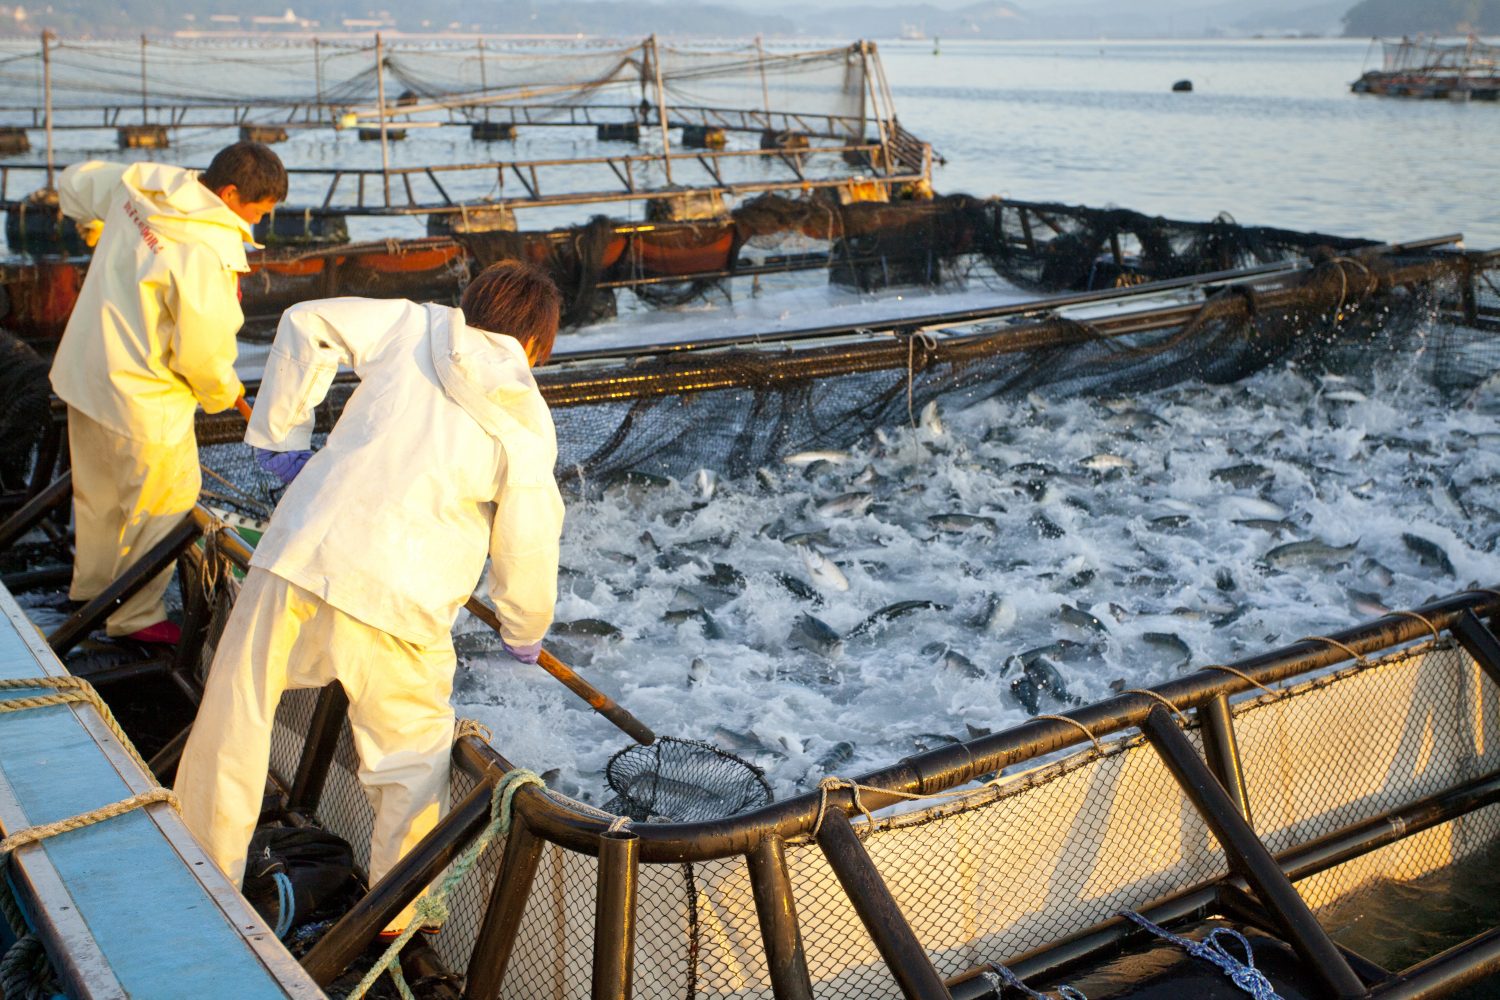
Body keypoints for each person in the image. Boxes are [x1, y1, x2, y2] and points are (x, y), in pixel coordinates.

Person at [174, 260, 566, 935]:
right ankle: (400, 917)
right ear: (536, 346)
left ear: (469, 304)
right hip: (405, 599)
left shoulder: (414, 321)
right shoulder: (526, 414)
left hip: (302, 554)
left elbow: (306, 323)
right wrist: (522, 623)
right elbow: (529, 536)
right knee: (408, 761)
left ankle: (200, 871)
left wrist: (283, 435)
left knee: (235, 718)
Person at [49, 141, 287, 643]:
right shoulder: (206, 248)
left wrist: (91, 220)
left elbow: (75, 181)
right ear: (229, 193)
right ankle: (134, 618)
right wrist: (225, 395)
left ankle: (91, 590)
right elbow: (202, 353)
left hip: (86, 372)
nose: (259, 225)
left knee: (100, 494)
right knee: (165, 503)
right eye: (259, 212)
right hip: (142, 398)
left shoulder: (143, 184)